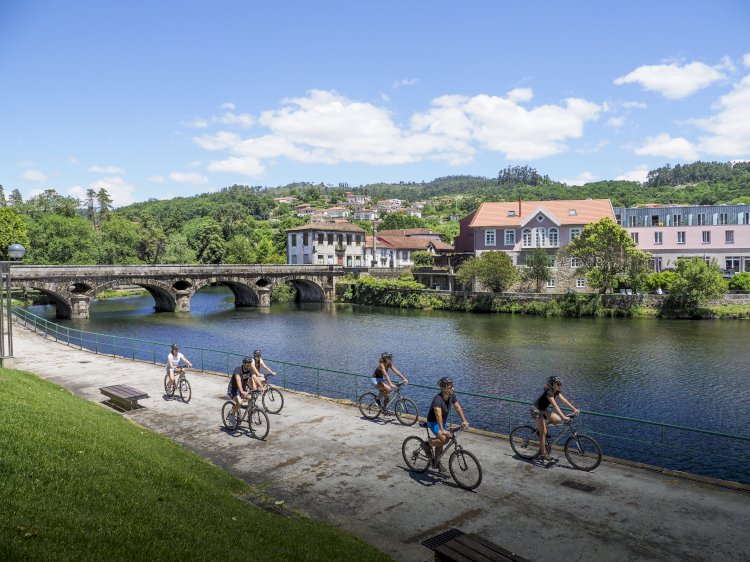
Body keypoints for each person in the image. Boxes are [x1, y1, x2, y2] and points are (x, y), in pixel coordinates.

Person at [531, 375, 580, 461]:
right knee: (544, 433)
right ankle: (543, 453)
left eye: (560, 384)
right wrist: (564, 417)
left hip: (543, 409)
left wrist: (574, 409)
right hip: (536, 410)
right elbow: (555, 406)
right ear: (552, 384)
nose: (560, 385)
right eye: (558, 384)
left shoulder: (556, 391)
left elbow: (564, 400)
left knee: (557, 420)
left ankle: (541, 429)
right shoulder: (549, 392)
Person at [425, 376, 469, 472]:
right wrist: (443, 430)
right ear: (444, 388)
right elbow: (438, 415)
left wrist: (464, 420)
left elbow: (457, 407)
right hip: (433, 422)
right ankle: (428, 444)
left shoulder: (452, 396)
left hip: (442, 422)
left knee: (442, 441)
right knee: (444, 439)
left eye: (452, 385)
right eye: (450, 386)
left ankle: (437, 461)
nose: (452, 388)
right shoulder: (437, 399)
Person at [226, 357, 254, 426]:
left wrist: (255, 389)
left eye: (250, 364)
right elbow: (238, 381)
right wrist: (241, 391)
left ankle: (249, 417)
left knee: (251, 398)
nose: (248, 366)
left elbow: (252, 380)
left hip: (242, 390)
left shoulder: (250, 370)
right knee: (239, 402)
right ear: (244, 363)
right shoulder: (237, 370)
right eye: (247, 364)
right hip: (233, 390)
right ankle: (231, 415)